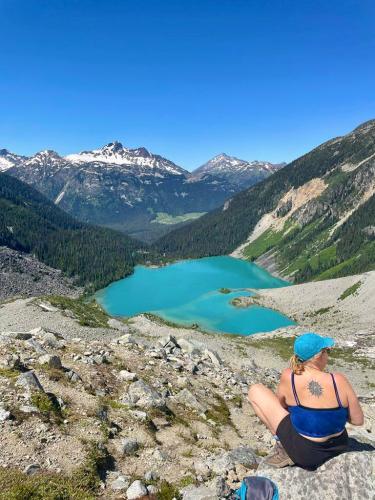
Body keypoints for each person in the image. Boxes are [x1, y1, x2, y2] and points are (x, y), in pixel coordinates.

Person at [248, 333, 364, 470]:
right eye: (327, 351)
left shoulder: (289, 376)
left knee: (255, 390)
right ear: (318, 355)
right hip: (339, 446)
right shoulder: (339, 379)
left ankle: (283, 446)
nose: (327, 355)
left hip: (306, 455)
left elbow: (281, 407)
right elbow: (358, 420)